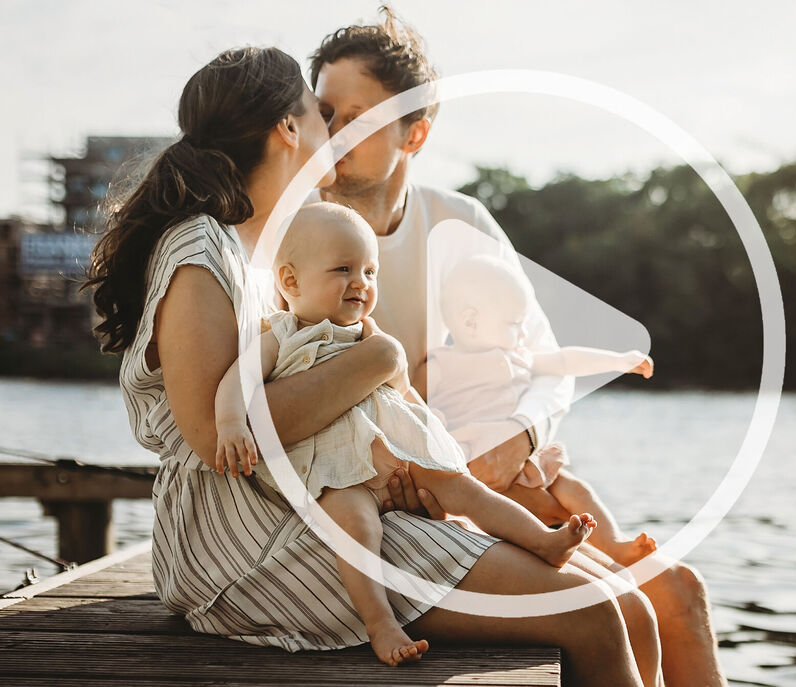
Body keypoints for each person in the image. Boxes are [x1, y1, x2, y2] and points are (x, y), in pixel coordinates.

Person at [85, 46, 650, 686]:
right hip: (241, 544)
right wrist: (378, 358)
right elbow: (220, 442)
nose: (335, 131)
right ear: (289, 128)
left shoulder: (258, 249)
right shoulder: (201, 249)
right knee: (594, 613)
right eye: (320, 112)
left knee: (626, 603)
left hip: (307, 501)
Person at [310, 8, 727, 686]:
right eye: (323, 111)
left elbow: (546, 364)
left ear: (414, 132)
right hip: (398, 507)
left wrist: (522, 437)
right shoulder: (295, 240)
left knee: (678, 590)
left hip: (497, 479)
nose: (329, 135)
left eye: (354, 117)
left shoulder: (461, 220)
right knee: (621, 607)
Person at [214, 203, 597, 666]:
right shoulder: (281, 335)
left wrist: (436, 444)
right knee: (355, 529)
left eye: (370, 271)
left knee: (466, 490)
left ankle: (542, 540)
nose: (362, 282)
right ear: (290, 281)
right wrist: (231, 424)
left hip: (394, 457)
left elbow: (408, 396)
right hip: (337, 474)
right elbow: (237, 381)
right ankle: (380, 623)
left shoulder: (369, 334)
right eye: (343, 269)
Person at [430, 254, 657, 566]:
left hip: (520, 463)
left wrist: (618, 362)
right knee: (493, 508)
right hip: (472, 465)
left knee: (575, 489)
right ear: (470, 321)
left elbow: (565, 361)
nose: (524, 335)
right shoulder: (441, 365)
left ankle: (613, 544)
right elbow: (415, 405)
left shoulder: (520, 356)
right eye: (515, 325)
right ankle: (542, 542)